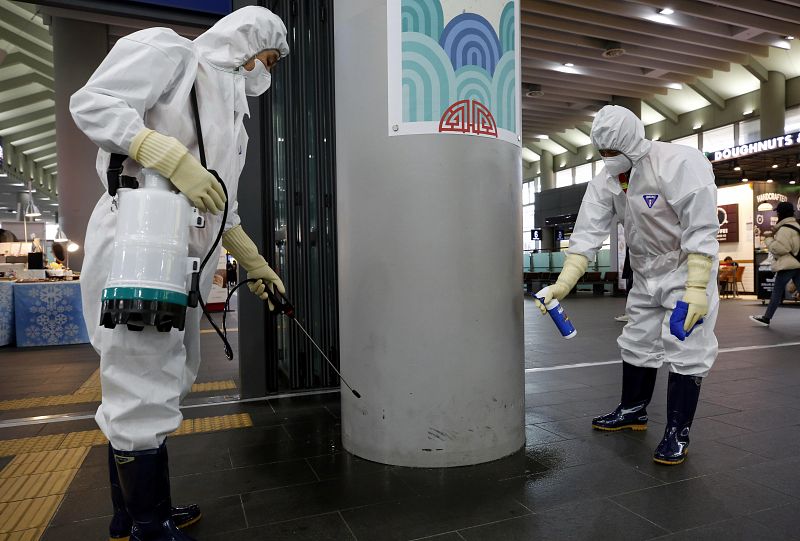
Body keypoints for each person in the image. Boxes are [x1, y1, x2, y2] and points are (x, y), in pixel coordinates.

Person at [70, 7, 288, 540]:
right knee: (141, 378)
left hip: (184, 258)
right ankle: (149, 524)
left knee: (158, 376)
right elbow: (93, 102)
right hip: (143, 241)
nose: (269, 70)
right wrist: (163, 153)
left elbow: (221, 207)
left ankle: (135, 511)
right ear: (248, 43)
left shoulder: (234, 120)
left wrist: (253, 262)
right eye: (270, 57)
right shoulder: (170, 53)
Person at [535, 105, 719, 466]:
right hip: (645, 271)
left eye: (613, 152)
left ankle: (677, 432)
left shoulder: (679, 163)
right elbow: (587, 233)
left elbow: (701, 227)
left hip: (685, 268)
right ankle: (633, 410)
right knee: (637, 341)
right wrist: (562, 283)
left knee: (686, 346)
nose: (608, 159)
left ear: (632, 142)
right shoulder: (606, 179)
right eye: (602, 153)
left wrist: (697, 287)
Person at [750, 202, 800, 326]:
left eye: (777, 212)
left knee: (776, 293)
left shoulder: (784, 229)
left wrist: (768, 239)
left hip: (787, 265)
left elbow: (779, 249)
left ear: (781, 213)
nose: (776, 214)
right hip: (798, 263)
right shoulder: (797, 226)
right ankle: (766, 317)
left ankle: (766, 318)